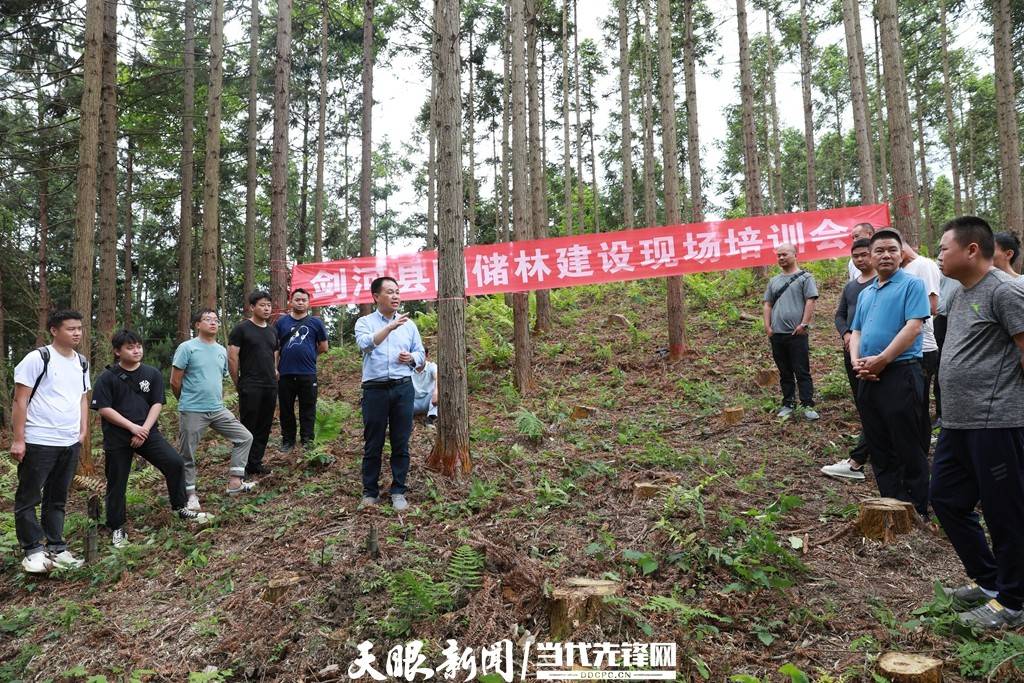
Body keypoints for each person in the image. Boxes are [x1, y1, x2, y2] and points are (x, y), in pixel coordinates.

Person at [931, 215, 1024, 629]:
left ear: (971, 249)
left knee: (1006, 512)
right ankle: (990, 582)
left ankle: (1014, 601)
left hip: (998, 424)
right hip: (958, 424)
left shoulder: (1005, 292)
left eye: (943, 248)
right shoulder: (958, 292)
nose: (938, 255)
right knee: (946, 498)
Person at [92, 329, 211, 548]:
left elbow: (157, 403)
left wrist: (144, 430)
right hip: (118, 436)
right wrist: (132, 428)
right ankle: (117, 527)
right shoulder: (107, 377)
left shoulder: (152, 373)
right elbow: (104, 408)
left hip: (147, 432)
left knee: (174, 463)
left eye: (138, 346)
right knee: (117, 482)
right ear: (117, 351)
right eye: (130, 347)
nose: (136, 350)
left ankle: (180, 507)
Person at [849, 228, 931, 517]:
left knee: (907, 441)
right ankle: (892, 503)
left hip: (900, 373)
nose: (885, 255)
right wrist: (857, 361)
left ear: (901, 253)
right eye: (879, 250)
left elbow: (913, 327)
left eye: (891, 250)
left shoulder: (912, 285)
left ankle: (918, 506)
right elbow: (856, 330)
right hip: (867, 377)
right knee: (878, 441)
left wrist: (882, 359)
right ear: (870, 256)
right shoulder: (866, 293)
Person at [10, 310, 90, 573]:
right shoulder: (38, 358)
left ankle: (57, 548)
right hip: (39, 438)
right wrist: (19, 439)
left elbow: (81, 398)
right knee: (29, 497)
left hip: (69, 441)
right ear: (54, 330)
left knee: (57, 498)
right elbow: (20, 399)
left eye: (79, 328)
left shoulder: (81, 362)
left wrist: (82, 430)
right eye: (70, 328)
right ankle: (33, 550)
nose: (77, 333)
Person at [171, 309, 256, 510]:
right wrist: (185, 401)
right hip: (192, 409)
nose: (213, 323)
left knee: (244, 437)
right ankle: (190, 495)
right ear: (197, 325)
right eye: (207, 320)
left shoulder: (221, 351)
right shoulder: (187, 348)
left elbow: (220, 377)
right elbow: (175, 381)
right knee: (188, 454)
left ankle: (235, 482)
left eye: (216, 320)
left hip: (217, 409)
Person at [354, 276, 426, 511]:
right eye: (390, 292)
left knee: (400, 441)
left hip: (402, 387)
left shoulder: (410, 325)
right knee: (373, 442)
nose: (396, 296)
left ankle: (398, 491)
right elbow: (365, 345)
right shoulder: (364, 322)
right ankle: (370, 491)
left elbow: (421, 355)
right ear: (376, 297)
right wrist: (389, 328)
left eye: (397, 292)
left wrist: (412, 358)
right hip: (375, 389)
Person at [822, 239, 875, 480]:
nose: (861, 259)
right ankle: (872, 448)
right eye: (856, 256)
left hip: (875, 354)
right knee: (863, 402)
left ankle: (860, 458)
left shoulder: (883, 283)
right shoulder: (851, 287)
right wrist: (846, 333)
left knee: (876, 404)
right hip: (851, 353)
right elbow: (840, 315)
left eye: (865, 254)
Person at [763, 243, 819, 420]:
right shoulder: (774, 281)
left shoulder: (805, 277)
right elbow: (768, 304)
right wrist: (768, 327)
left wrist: (804, 324)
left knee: (802, 370)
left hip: (797, 334)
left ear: (795, 255)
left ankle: (807, 404)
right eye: (778, 255)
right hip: (777, 334)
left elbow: (810, 301)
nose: (781, 258)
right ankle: (788, 403)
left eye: (784, 254)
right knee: (784, 371)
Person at [228, 291, 279, 476]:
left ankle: (255, 463)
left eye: (269, 305)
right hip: (250, 384)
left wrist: (274, 370)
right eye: (262, 305)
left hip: (270, 385)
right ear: (252, 307)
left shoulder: (272, 330)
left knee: (265, 426)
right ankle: (241, 466)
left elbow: (274, 352)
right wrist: (238, 381)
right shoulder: (241, 329)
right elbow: (232, 357)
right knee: (247, 426)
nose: (266, 309)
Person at [900, 240, 943, 446]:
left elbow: (932, 307)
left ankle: (921, 451)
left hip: (922, 348)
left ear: (901, 246)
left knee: (919, 404)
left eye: (891, 249)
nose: (885, 256)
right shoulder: (901, 269)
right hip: (901, 348)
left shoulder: (923, 265)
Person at [275, 288, 328, 452]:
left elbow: (323, 347)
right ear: (290, 301)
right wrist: (274, 368)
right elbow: (275, 347)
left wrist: (309, 354)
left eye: (304, 300)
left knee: (308, 408)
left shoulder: (316, 323)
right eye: (297, 299)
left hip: (307, 373)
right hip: (285, 373)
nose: (300, 302)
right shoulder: (281, 323)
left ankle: (307, 440)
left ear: (308, 303)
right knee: (286, 409)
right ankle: (288, 440)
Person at [412, 348, 438, 425]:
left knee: (440, 388)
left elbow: (437, 376)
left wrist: (436, 392)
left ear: (426, 355)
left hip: (429, 400)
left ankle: (431, 417)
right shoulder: (408, 368)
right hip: (413, 402)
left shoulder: (431, 366)